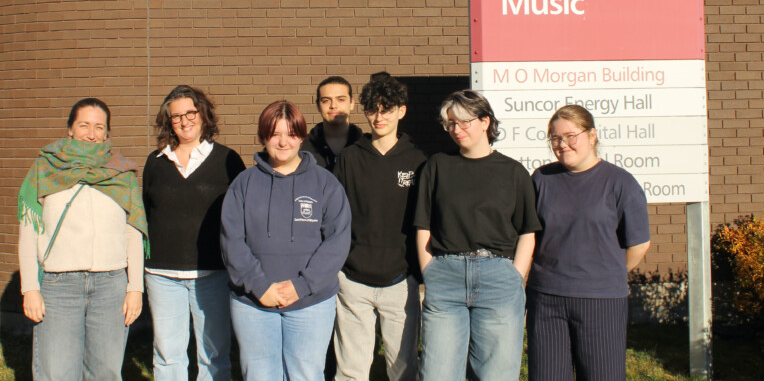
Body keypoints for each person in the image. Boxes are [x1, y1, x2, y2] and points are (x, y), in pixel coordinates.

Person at [17, 98, 148, 381]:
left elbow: (133, 233)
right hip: (59, 287)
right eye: (84, 125)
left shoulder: (122, 174)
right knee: (57, 373)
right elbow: (29, 231)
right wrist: (30, 288)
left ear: (107, 133)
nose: (91, 133)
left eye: (99, 127)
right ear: (70, 129)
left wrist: (135, 287)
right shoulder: (44, 170)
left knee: (106, 373)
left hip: (111, 286)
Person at [414, 89, 540, 381]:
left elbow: (527, 231)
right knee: (437, 373)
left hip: (499, 278)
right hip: (446, 277)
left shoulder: (513, 172)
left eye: (464, 122)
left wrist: (515, 276)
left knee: (496, 373)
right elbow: (423, 224)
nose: (456, 130)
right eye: (450, 124)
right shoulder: (437, 166)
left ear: (485, 122)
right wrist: (429, 270)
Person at [221, 100, 351, 381]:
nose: (283, 142)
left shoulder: (326, 184)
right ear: (263, 137)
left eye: (291, 134)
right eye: (274, 134)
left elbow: (337, 242)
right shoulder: (243, 184)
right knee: (258, 375)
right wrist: (259, 286)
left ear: (302, 136)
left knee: (306, 374)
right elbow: (232, 242)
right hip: (253, 303)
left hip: (311, 303)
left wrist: (301, 286)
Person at [526, 104, 651, 381]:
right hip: (547, 299)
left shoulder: (620, 183)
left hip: (600, 301)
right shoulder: (542, 179)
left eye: (571, 136)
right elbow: (530, 235)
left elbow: (639, 244)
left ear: (592, 135)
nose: (562, 144)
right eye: (555, 138)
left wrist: (605, 274)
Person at [142, 85, 247, 380]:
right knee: (167, 355)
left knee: (214, 355)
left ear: (203, 114)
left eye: (191, 112)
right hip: (162, 276)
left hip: (212, 275)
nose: (185, 121)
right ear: (168, 121)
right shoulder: (156, 161)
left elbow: (240, 216)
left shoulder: (228, 160)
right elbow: (149, 212)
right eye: (176, 116)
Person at [333, 72, 426, 381]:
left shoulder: (419, 162)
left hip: (400, 281)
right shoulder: (349, 159)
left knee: (403, 370)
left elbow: (425, 223)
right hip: (353, 281)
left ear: (402, 110)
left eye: (387, 109)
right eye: (373, 109)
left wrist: (418, 274)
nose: (379, 116)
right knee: (350, 370)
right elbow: (335, 219)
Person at [302, 76, 363, 171]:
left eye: (341, 99)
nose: (333, 105)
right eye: (326, 100)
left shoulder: (365, 146)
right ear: (318, 105)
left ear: (352, 103)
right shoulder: (302, 148)